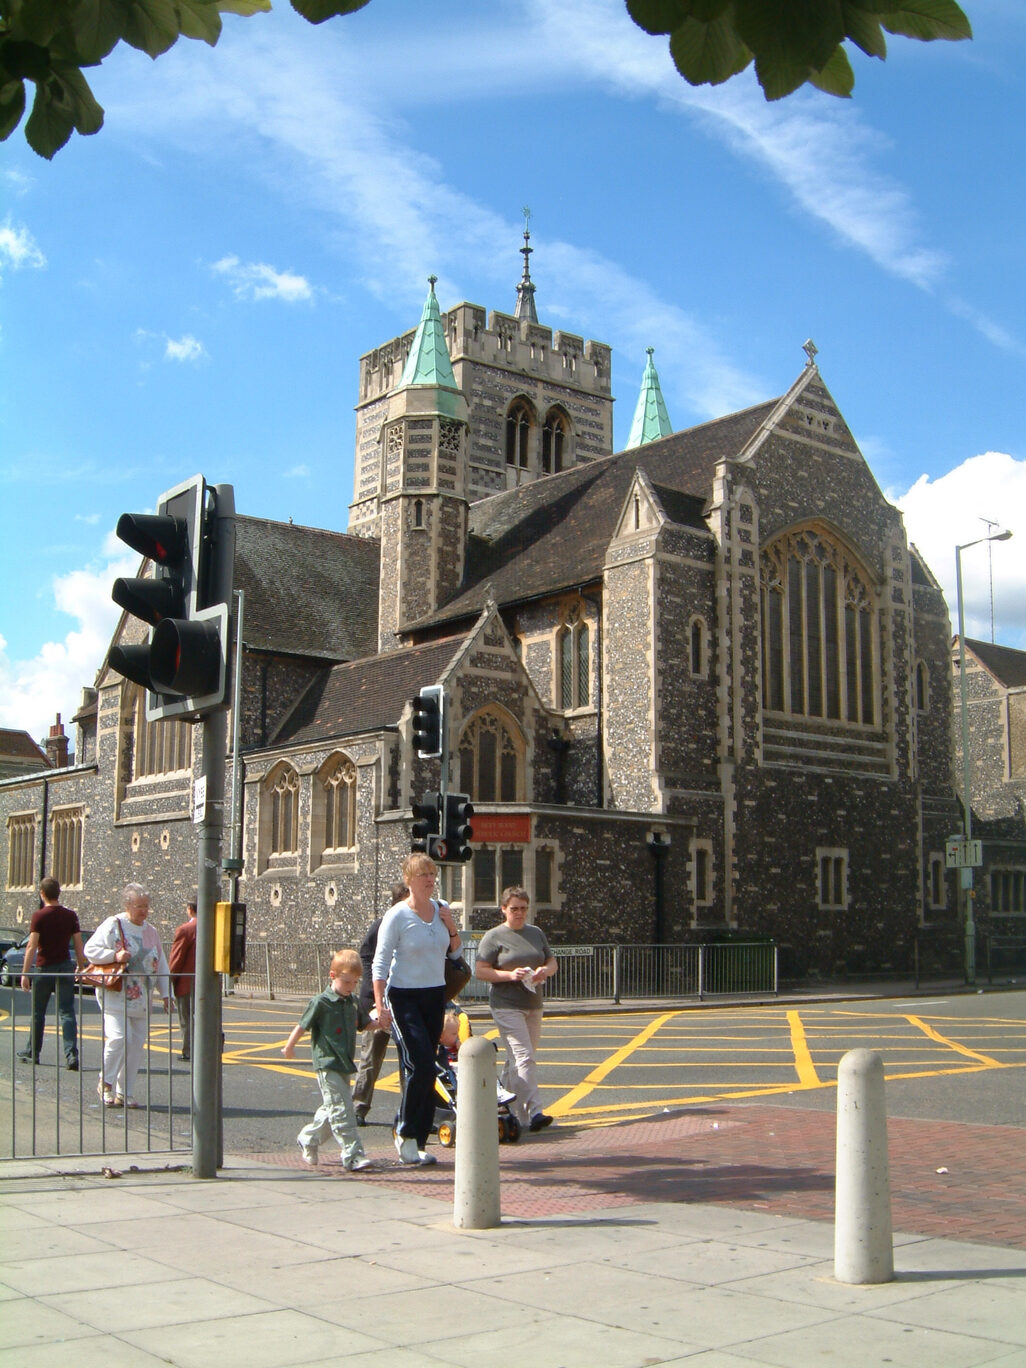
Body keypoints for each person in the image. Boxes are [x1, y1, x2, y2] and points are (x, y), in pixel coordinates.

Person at [372, 853, 461, 1166]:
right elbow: (380, 962)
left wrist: (450, 925)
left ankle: (417, 1140)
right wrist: (380, 1003)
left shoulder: (440, 909)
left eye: (433, 874)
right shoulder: (396, 916)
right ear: (409, 879)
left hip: (434, 996)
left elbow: (456, 951)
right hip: (403, 997)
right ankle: (406, 1133)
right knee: (421, 1065)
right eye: (423, 874)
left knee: (425, 1068)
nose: (430, 879)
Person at [282, 948, 376, 1171]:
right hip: (326, 1063)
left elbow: (364, 1024)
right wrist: (289, 1046)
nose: (351, 987)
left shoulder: (352, 1002)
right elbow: (302, 1025)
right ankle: (352, 1154)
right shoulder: (321, 1002)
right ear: (333, 976)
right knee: (342, 1110)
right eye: (347, 982)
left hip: (344, 1063)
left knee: (332, 1108)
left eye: (355, 982)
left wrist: (381, 1023)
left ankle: (308, 1138)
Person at [474, 886, 558, 1133]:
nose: (519, 913)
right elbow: (480, 971)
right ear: (503, 909)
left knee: (516, 1060)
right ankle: (535, 1112)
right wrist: (510, 975)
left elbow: (551, 961)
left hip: (533, 1003)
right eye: (514, 909)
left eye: (523, 908)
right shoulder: (494, 936)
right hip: (506, 1005)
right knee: (525, 1057)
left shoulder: (536, 933)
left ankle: (502, 1106)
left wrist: (545, 970)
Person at [84, 883, 171, 1108]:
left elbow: (161, 963)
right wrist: (115, 954)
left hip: (141, 996)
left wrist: (166, 994)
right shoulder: (114, 924)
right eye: (139, 906)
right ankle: (106, 1082)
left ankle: (126, 1091)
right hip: (116, 992)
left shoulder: (151, 931)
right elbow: (90, 950)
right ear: (127, 905)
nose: (144, 910)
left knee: (136, 1044)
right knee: (119, 1037)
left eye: (146, 906)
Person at [352, 882, 407, 1125]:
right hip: (380, 1002)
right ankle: (358, 1107)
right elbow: (365, 953)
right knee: (371, 1057)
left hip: (405, 999)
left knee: (408, 1058)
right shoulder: (384, 923)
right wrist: (370, 988)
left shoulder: (416, 921)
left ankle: (410, 1109)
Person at [18, 876, 86, 1069]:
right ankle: (71, 1055)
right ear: (59, 893)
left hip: (44, 967)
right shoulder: (71, 915)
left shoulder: (39, 916)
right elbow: (78, 944)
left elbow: (31, 946)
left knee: (38, 1012)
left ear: (42, 893)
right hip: (65, 966)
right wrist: (81, 968)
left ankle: (33, 1052)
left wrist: (25, 973)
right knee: (67, 1012)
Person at [168, 900, 198, 1061]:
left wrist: (169, 979)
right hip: (209, 984)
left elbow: (176, 958)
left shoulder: (185, 929)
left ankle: (189, 1050)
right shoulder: (214, 927)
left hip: (187, 983)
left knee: (186, 1018)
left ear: (190, 909)